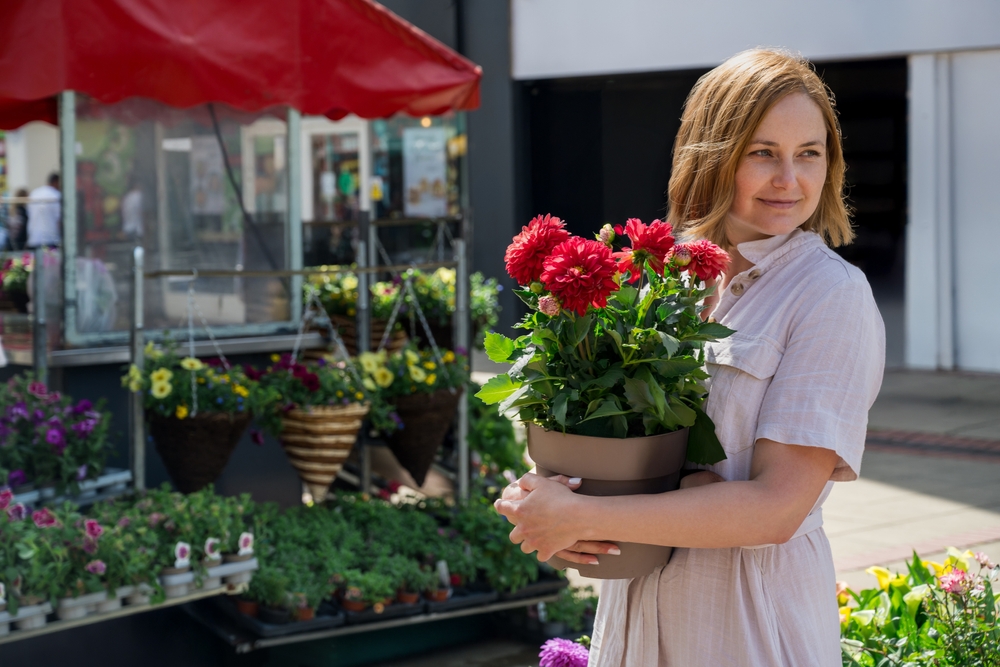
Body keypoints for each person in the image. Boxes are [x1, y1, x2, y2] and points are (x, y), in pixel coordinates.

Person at [495, 49, 885, 666]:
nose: (790, 179)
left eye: (809, 153)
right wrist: (556, 501)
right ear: (713, 154)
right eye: (763, 153)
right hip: (636, 614)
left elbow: (777, 507)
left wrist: (585, 512)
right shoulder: (662, 279)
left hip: (745, 622)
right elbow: (606, 433)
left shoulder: (829, 295)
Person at [26, 172, 61, 248]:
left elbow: (29, 214)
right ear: (56, 182)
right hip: (50, 239)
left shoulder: (34, 193)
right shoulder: (56, 195)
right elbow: (60, 219)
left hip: (34, 238)